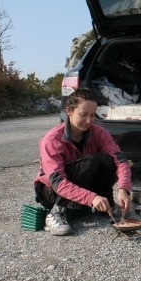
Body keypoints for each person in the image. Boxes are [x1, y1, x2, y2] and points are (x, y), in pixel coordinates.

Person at [34, 88, 132, 236]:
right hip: (51, 191)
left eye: (93, 115)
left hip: (81, 184)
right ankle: (55, 213)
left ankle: (106, 206)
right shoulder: (52, 140)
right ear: (69, 111)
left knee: (107, 159)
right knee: (91, 161)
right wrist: (91, 198)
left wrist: (124, 188)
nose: (89, 121)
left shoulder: (99, 133)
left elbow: (120, 160)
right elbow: (57, 181)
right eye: (83, 114)